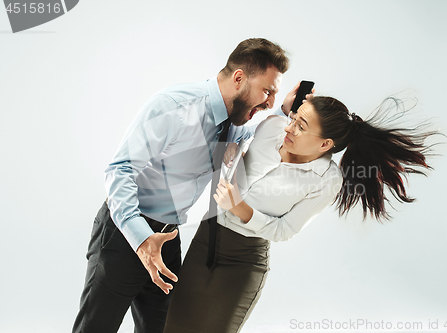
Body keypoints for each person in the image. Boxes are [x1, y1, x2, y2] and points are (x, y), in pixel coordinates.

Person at [72, 38, 294, 333]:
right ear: (239, 78)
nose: (269, 102)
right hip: (125, 234)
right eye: (267, 91)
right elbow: (120, 169)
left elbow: (247, 133)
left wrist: (284, 112)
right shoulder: (174, 107)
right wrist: (140, 239)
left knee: (167, 329)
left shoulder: (234, 117)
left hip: (168, 238)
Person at [163, 95, 439, 333]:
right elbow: (231, 134)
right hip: (205, 242)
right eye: (294, 119)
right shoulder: (273, 128)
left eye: (301, 127)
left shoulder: (327, 179)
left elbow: (284, 230)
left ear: (324, 144)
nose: (290, 128)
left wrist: (240, 208)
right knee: (171, 327)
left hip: (242, 262)